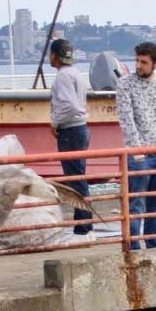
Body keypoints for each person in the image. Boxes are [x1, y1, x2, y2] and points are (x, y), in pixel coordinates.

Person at [116, 41, 156, 250]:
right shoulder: (125, 84)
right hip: (140, 155)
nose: (138, 66)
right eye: (137, 61)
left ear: (154, 63)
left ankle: (153, 248)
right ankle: (133, 251)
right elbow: (127, 119)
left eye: (143, 62)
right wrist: (137, 151)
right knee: (135, 206)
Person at [48, 38, 92, 236]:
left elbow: (70, 105)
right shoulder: (75, 73)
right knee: (79, 175)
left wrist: (55, 121)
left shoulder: (63, 76)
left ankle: (83, 224)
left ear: (54, 56)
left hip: (70, 130)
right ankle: (84, 222)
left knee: (75, 179)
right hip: (81, 128)